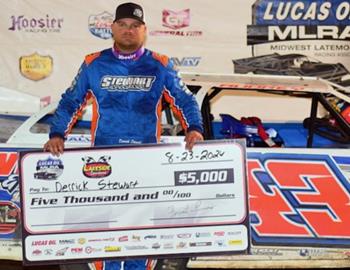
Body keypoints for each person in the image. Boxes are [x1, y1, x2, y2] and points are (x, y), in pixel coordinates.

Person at [44, 2, 203, 270]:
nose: (129, 30)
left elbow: (185, 101)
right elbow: (71, 101)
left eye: (135, 26)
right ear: (113, 28)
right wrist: (58, 133)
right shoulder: (94, 63)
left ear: (144, 31)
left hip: (146, 160)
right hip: (102, 161)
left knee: (140, 227)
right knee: (100, 226)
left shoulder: (161, 64)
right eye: (123, 25)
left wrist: (194, 129)